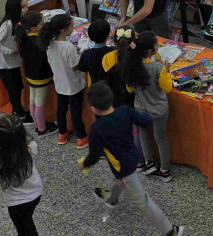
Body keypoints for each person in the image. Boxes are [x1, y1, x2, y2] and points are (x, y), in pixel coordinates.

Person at [78, 82, 185, 236]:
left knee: (142, 201)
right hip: (133, 157)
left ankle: (171, 231)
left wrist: (85, 164)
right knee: (117, 179)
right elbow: (145, 121)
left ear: (93, 108)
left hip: (124, 168)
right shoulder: (125, 110)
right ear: (111, 98)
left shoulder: (97, 128)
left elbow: (94, 155)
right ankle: (112, 199)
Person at [124, 32, 174, 181]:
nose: (159, 46)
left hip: (140, 108)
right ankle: (165, 170)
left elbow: (129, 89)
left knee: (144, 134)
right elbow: (167, 88)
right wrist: (166, 69)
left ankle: (149, 163)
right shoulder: (158, 68)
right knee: (161, 138)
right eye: (157, 44)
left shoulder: (131, 65)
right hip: (158, 109)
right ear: (150, 51)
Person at [39, 14, 88, 148]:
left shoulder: (50, 44)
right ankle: (81, 137)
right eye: (72, 26)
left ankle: (62, 134)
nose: (73, 28)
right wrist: (82, 55)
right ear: (63, 30)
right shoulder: (68, 47)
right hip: (73, 85)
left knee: (61, 110)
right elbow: (75, 67)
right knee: (75, 112)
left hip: (60, 84)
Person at [15, 11, 57, 136]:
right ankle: (42, 129)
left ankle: (37, 124)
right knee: (39, 102)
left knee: (33, 99)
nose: (44, 25)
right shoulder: (38, 42)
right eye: (42, 23)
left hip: (30, 74)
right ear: (33, 28)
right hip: (41, 76)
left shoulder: (24, 38)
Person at [0, 0, 31, 123]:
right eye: (23, 7)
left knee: (18, 86)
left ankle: (18, 109)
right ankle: (17, 113)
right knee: (13, 89)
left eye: (27, 6)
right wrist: (11, 51)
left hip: (12, 62)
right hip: (3, 64)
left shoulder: (18, 22)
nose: (26, 10)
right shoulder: (8, 24)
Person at [76, 20, 116, 87]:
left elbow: (83, 75)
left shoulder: (86, 54)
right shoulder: (113, 52)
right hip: (110, 87)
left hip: (94, 87)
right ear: (108, 35)